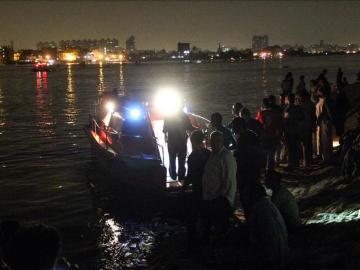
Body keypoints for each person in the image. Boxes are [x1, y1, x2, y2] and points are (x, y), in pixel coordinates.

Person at [202, 131, 237, 245]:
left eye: (216, 141)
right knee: (215, 226)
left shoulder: (226, 157)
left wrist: (224, 198)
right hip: (211, 197)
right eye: (212, 141)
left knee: (221, 227)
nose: (213, 143)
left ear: (222, 142)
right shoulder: (213, 154)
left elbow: (229, 180)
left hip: (220, 199)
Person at [247, 184, 288, 269]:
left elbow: (254, 235)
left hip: (272, 256)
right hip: (282, 252)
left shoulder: (259, 208)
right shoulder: (270, 205)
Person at [183, 130, 211, 251]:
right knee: (206, 216)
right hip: (209, 188)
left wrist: (183, 188)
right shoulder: (209, 153)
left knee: (193, 216)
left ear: (192, 141)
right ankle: (206, 239)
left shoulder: (193, 156)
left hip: (198, 188)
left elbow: (190, 175)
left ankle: (193, 243)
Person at [232, 117, 265, 219]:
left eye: (234, 126)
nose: (233, 129)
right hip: (255, 170)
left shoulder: (243, 139)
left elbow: (242, 156)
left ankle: (250, 219)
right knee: (253, 194)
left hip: (246, 172)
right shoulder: (252, 135)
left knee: (246, 196)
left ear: (240, 126)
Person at [163, 108, 194, 180]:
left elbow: (164, 130)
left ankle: (173, 176)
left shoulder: (168, 115)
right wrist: (198, 129)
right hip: (182, 141)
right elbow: (190, 127)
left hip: (171, 141)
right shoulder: (184, 116)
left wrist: (166, 137)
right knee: (182, 159)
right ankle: (181, 176)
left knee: (172, 158)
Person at [257, 97, 283, 171]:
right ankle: (270, 170)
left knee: (265, 154)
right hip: (273, 135)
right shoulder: (274, 113)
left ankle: (265, 170)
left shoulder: (261, 113)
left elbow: (257, 123)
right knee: (271, 154)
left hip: (264, 136)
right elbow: (278, 124)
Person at [283, 93, 304, 170]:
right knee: (296, 147)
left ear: (288, 100)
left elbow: (285, 121)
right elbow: (302, 117)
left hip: (289, 131)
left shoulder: (287, 109)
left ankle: (291, 164)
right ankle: (297, 163)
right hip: (296, 130)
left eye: (285, 99)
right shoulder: (298, 108)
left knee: (290, 148)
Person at [297, 91, 316, 167]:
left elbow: (298, 117)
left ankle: (305, 162)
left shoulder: (299, 105)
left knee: (303, 144)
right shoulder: (311, 105)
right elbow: (313, 116)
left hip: (301, 126)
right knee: (309, 143)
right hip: (309, 125)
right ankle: (309, 160)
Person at [316, 86, 334, 162]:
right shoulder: (326, 100)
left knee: (325, 140)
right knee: (326, 139)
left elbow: (327, 112)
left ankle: (326, 158)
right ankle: (325, 156)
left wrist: (319, 119)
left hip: (325, 121)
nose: (317, 93)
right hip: (325, 122)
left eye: (318, 91)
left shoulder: (326, 100)